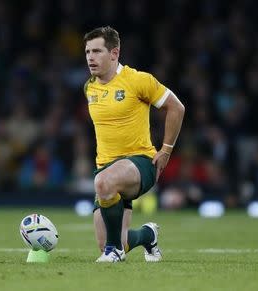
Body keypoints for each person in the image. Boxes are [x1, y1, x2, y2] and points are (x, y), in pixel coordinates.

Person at [83, 26, 185, 262]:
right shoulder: (89, 87)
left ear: (114, 53)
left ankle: (114, 252)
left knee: (103, 182)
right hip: (106, 168)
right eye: (87, 51)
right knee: (110, 240)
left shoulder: (138, 80)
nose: (90, 57)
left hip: (140, 164)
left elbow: (176, 107)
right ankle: (147, 236)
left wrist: (166, 150)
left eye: (97, 51)